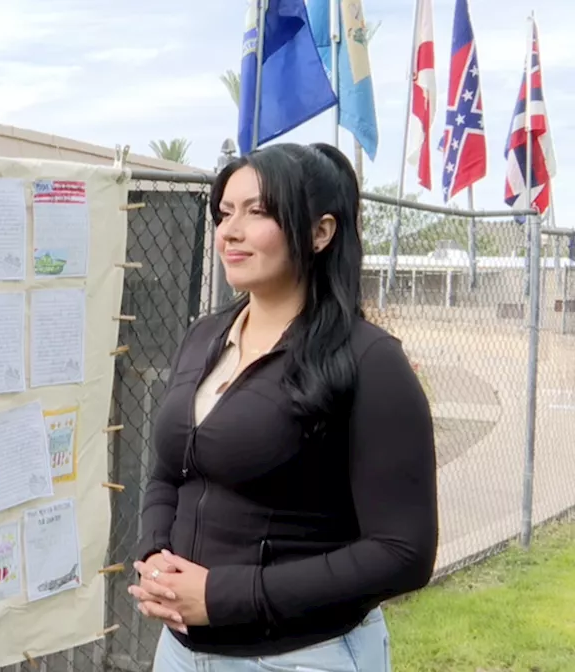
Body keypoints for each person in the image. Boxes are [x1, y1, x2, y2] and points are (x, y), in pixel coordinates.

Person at [127, 142, 438, 671]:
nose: (230, 231)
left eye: (258, 212)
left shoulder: (369, 362)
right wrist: (156, 555)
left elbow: (402, 552)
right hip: (181, 652)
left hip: (300, 655)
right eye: (225, 212)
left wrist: (227, 595)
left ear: (321, 232)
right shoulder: (204, 337)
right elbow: (168, 472)